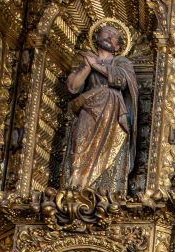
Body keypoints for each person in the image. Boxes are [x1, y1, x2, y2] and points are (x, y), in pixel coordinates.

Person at [65, 23, 138, 191]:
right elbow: (73, 87)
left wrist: (95, 65)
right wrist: (87, 66)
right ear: (97, 37)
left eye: (113, 36)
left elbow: (122, 81)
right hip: (89, 109)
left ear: (118, 46)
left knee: (109, 147)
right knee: (80, 142)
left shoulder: (121, 62)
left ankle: (105, 189)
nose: (109, 37)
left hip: (111, 111)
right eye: (106, 33)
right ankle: (77, 186)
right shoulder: (85, 60)